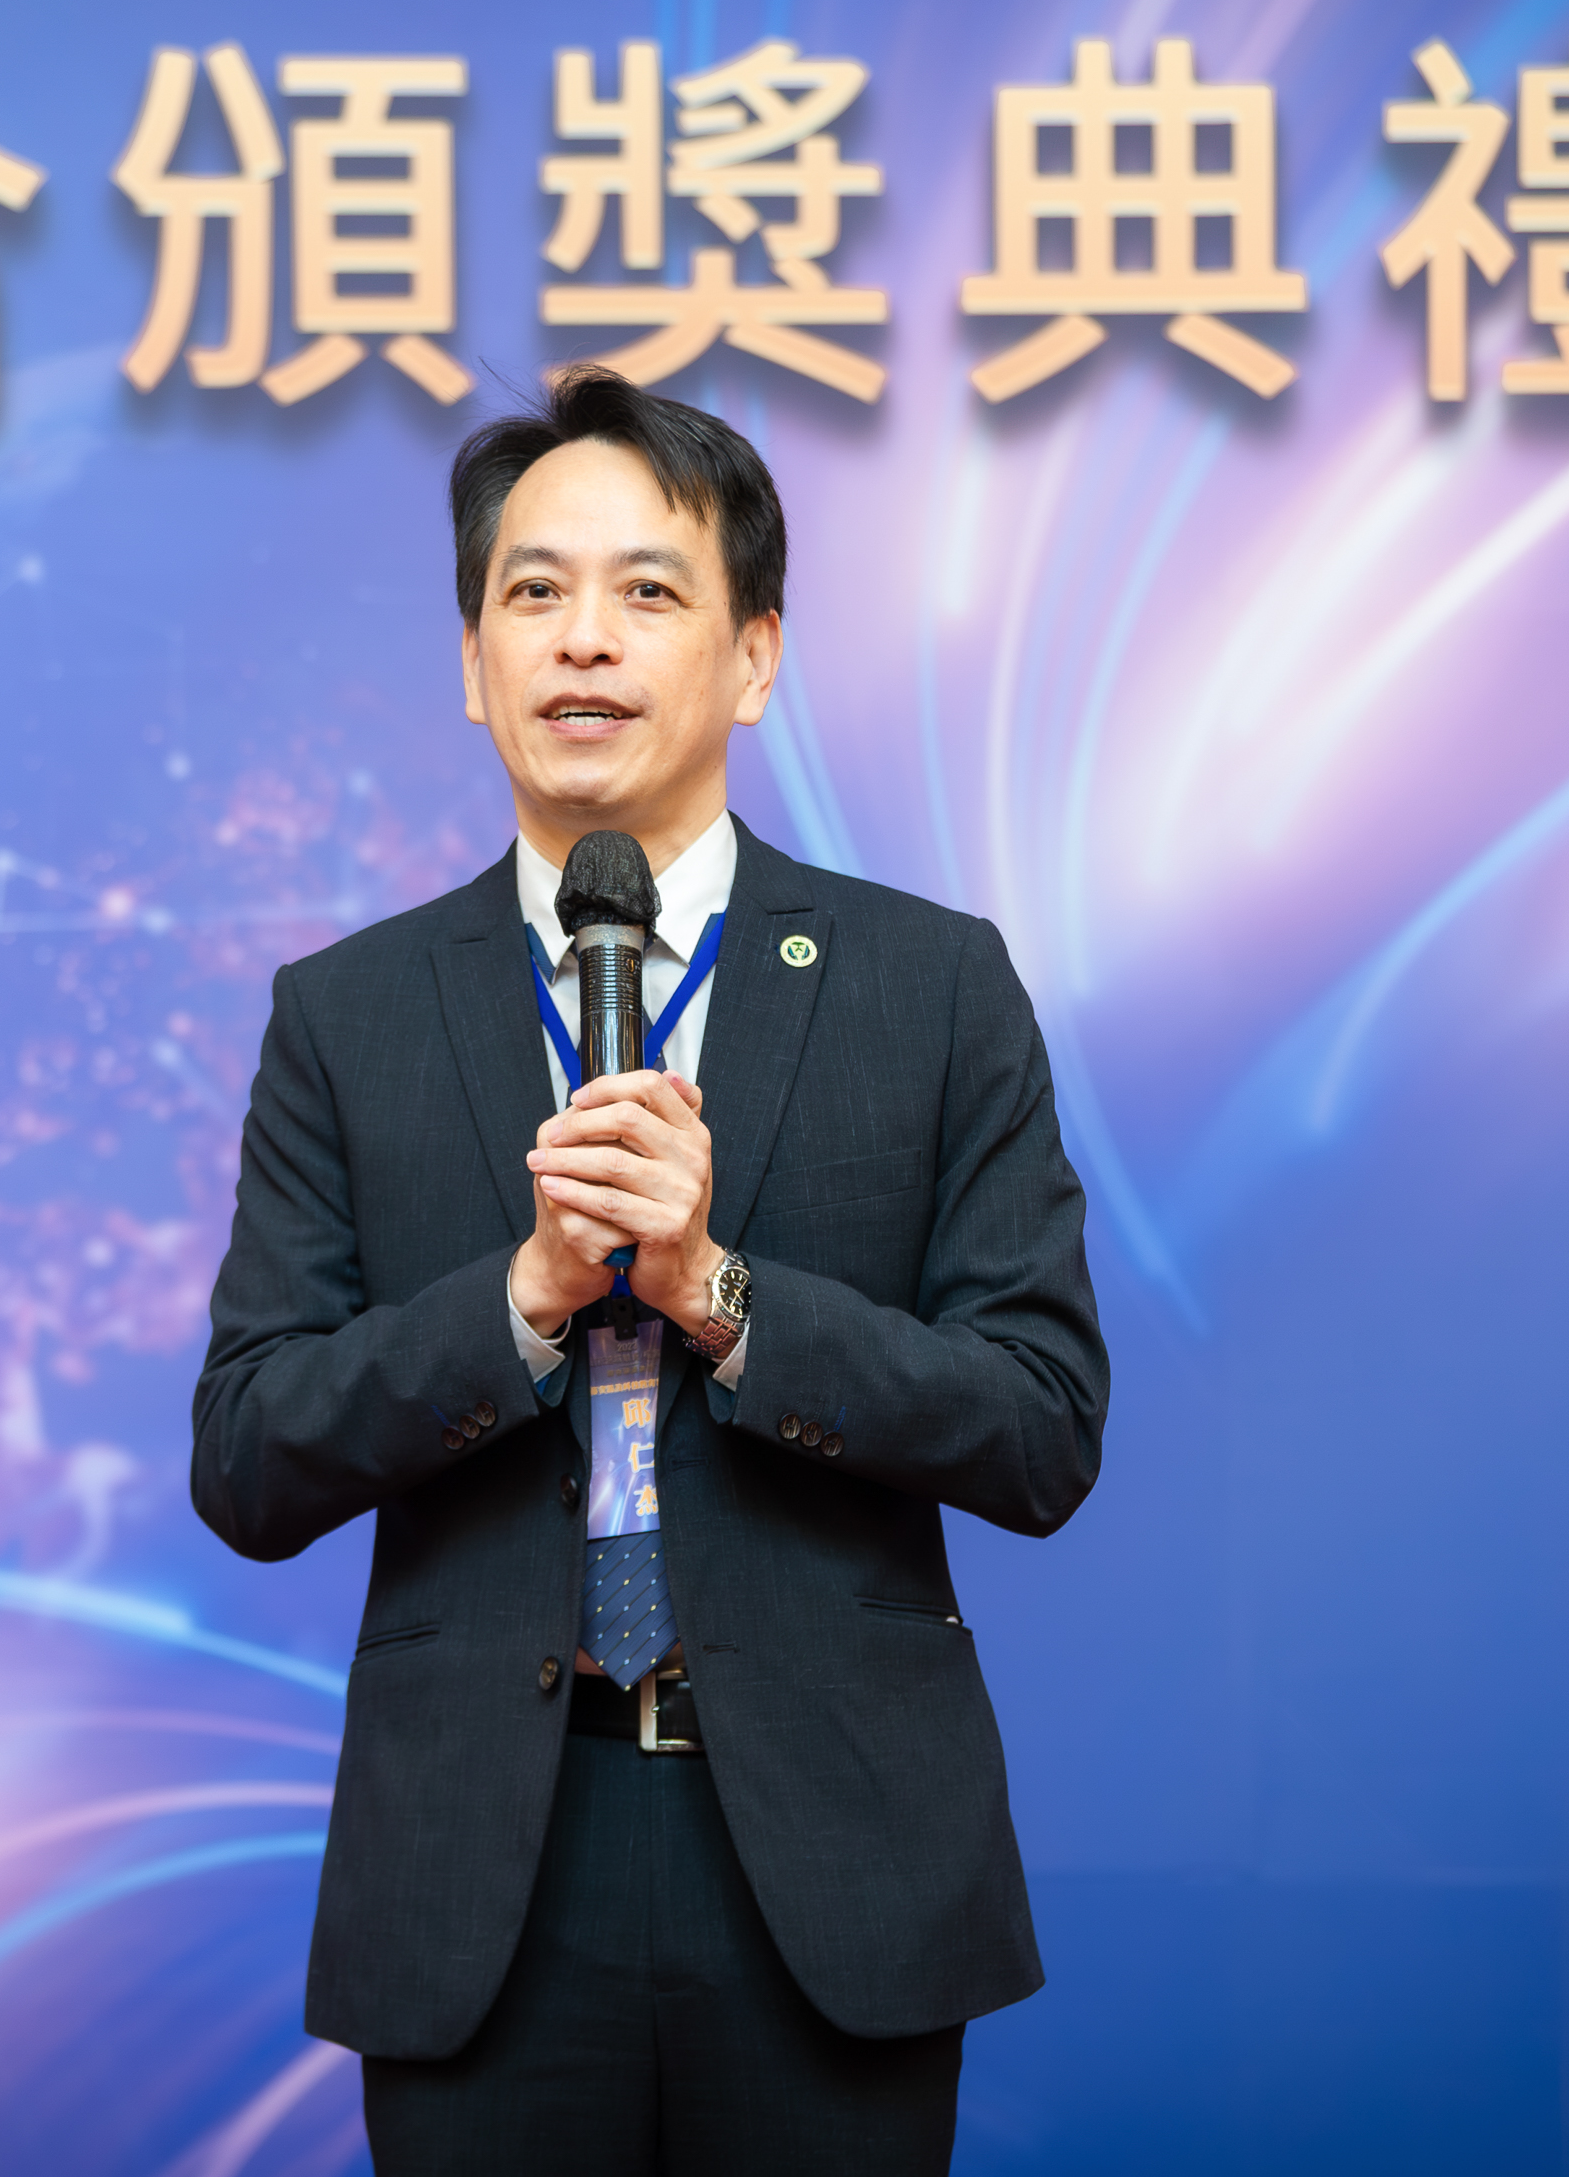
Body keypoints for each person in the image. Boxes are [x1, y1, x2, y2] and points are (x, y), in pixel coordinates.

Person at [193, 366, 1111, 2175]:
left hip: (826, 1857)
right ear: (474, 664)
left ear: (753, 658)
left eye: (648, 590)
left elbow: (1041, 1427)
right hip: (483, 1868)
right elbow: (248, 1455)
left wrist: (720, 1296)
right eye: (532, 591)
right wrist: (523, 1302)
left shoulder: (930, 989)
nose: (584, 640)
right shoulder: (349, 1016)